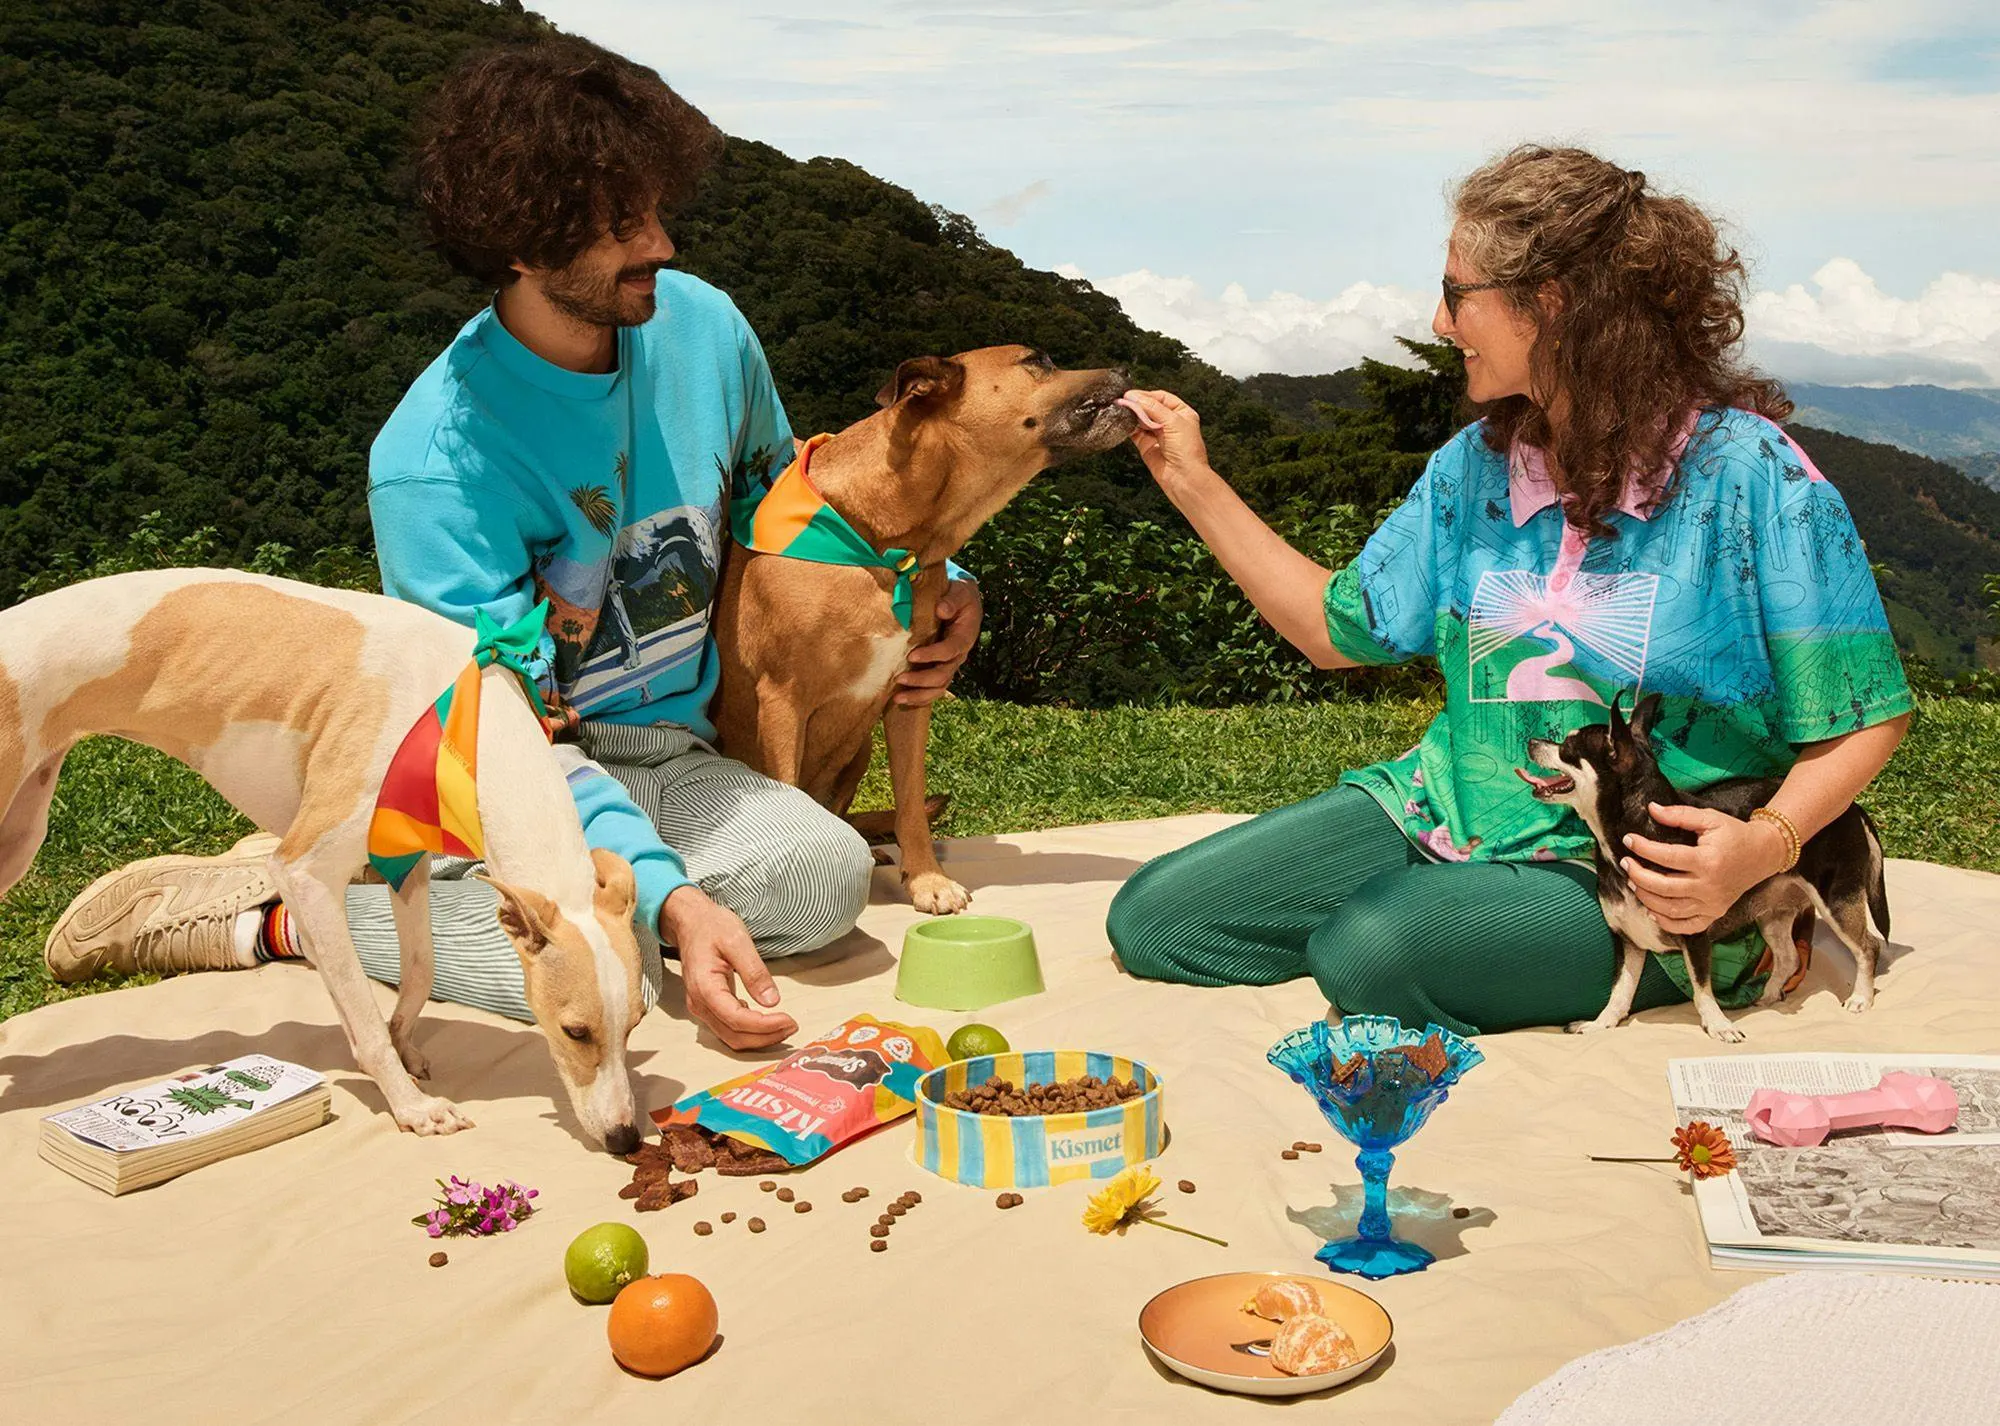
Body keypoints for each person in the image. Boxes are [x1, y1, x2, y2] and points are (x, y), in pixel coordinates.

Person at [41, 38, 983, 1051]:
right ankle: (266, 909)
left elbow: (787, 510)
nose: (662, 245)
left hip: (682, 752)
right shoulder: (434, 461)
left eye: (658, 210)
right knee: (603, 976)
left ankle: (566, 899)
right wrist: (666, 902)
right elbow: (509, 734)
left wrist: (933, 582)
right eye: (623, 228)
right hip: (513, 772)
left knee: (821, 880)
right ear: (521, 247)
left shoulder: (704, 329)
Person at [1106, 145, 1911, 1036]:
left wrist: (1764, 847)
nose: (1441, 322)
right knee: (1158, 920)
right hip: (1447, 806)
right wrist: (1188, 479)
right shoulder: (1476, 470)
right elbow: (1334, 631)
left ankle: (1727, 944)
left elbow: (1869, 713)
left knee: (1367, 953)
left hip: (1640, 860)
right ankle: (1464, 911)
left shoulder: (1755, 476)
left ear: (1551, 304)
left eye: (1458, 293)